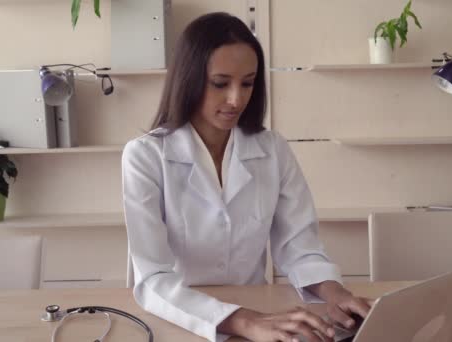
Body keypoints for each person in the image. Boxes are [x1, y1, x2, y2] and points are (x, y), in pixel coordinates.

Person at [122, 12, 371, 342]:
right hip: (181, 320)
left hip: (257, 314)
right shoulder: (145, 156)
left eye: (248, 83)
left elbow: (299, 244)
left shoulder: (272, 149)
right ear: (190, 79)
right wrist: (244, 322)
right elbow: (153, 278)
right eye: (220, 84)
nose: (236, 99)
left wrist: (334, 293)